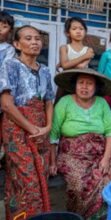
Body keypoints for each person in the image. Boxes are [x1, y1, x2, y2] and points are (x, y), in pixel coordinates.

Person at [50, 68, 111, 218]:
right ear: (75, 85)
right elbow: (53, 135)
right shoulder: (65, 102)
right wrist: (52, 162)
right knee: (79, 185)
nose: (84, 87)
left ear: (96, 87)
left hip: (101, 152)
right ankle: (83, 216)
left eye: (89, 83)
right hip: (72, 155)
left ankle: (107, 216)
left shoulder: (101, 103)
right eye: (81, 83)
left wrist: (106, 159)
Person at [0, 25, 54, 220]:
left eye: (38, 39)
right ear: (17, 44)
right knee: (26, 180)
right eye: (28, 38)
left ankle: (39, 216)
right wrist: (32, 128)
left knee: (41, 178)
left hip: (41, 130)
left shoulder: (45, 70)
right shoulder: (10, 65)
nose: (34, 42)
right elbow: (6, 104)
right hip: (17, 129)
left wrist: (47, 127)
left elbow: (48, 100)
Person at [56, 17, 94, 103]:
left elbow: (81, 67)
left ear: (85, 32)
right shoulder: (64, 48)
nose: (78, 31)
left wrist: (66, 64)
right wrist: (84, 57)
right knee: (60, 106)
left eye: (81, 29)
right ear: (67, 33)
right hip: (65, 83)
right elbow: (65, 65)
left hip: (81, 85)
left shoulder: (89, 50)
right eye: (74, 29)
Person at [0, 11, 15, 166]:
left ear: (9, 31)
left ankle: (5, 160)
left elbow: (5, 73)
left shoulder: (8, 50)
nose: (0, 29)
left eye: (4, 26)